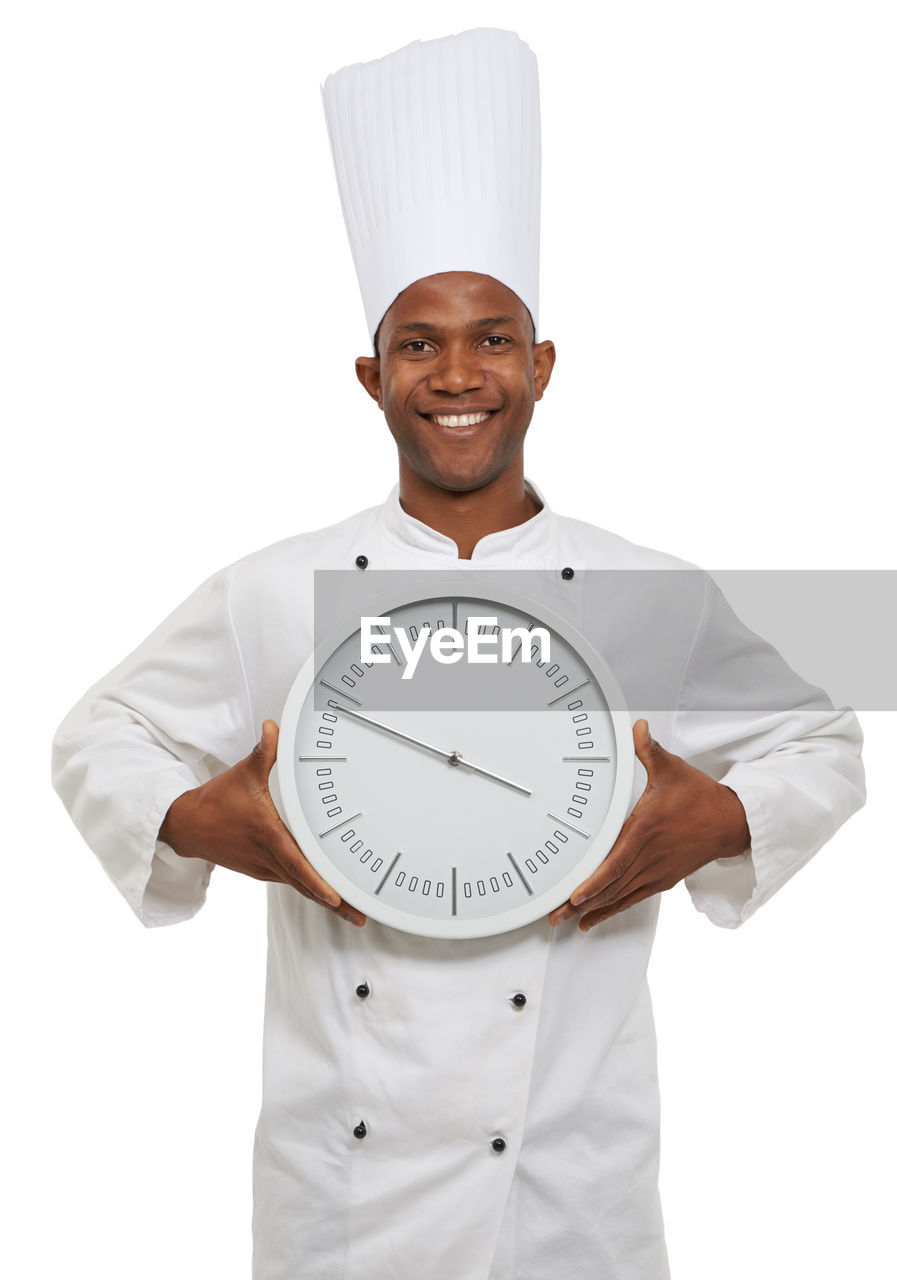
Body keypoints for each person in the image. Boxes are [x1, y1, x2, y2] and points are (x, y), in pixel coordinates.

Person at [51, 28, 865, 1280]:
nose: (458, 373)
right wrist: (214, 819)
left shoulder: (643, 590)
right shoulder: (283, 587)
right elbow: (97, 735)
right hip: (343, 1195)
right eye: (419, 343)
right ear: (371, 376)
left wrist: (716, 818)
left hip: (567, 1183)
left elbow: (821, 736)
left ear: (541, 366)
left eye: (493, 337)